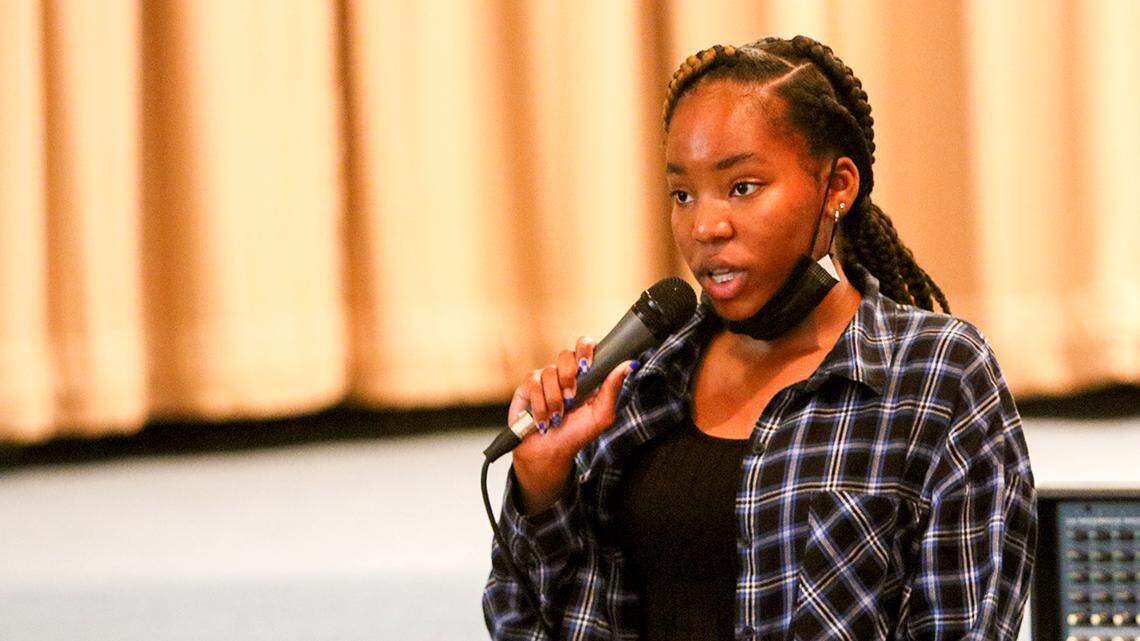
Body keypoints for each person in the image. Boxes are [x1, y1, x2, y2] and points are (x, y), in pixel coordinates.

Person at [483, 35, 1036, 641]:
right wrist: (544, 485)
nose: (705, 226)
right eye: (682, 194)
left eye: (742, 187)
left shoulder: (935, 376)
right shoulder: (641, 385)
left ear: (837, 187)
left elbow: (968, 622)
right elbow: (524, 621)